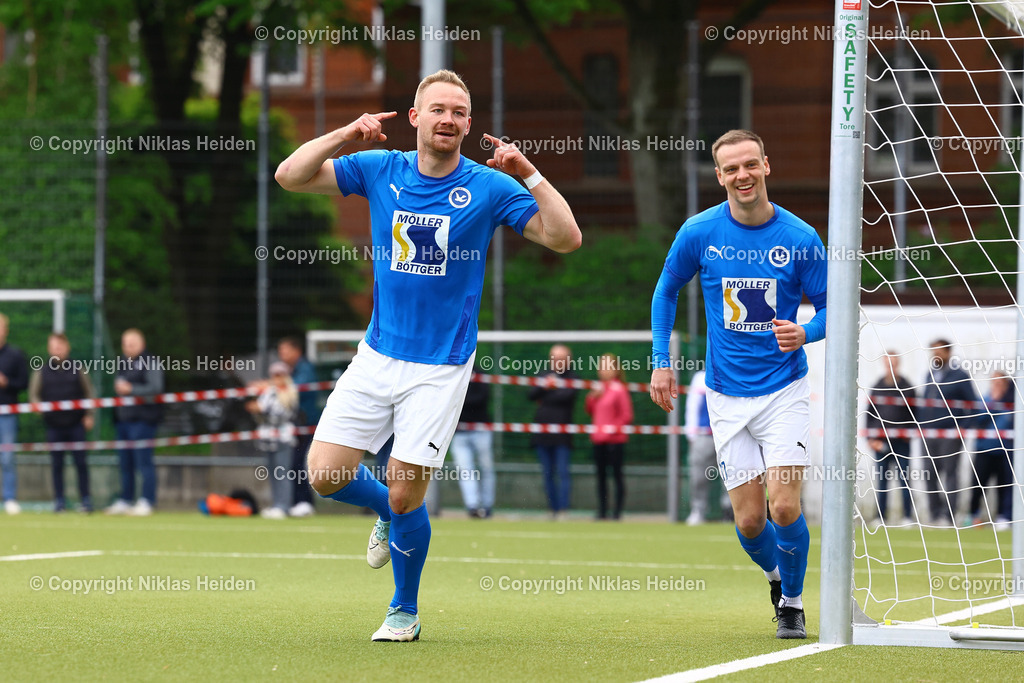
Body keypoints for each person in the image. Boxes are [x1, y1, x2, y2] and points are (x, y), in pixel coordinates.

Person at [274, 69, 580, 641]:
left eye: (459, 112)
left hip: (441, 365)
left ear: (468, 124)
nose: (449, 119)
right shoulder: (379, 168)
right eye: (438, 109)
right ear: (415, 118)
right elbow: (289, 176)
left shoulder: (489, 186)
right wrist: (346, 134)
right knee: (324, 474)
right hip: (377, 354)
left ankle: (404, 610)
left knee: (405, 490)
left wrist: (530, 174)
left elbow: (565, 238)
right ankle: (386, 514)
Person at [649, 130, 827, 640]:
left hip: (784, 390)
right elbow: (665, 292)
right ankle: (777, 579)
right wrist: (661, 361)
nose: (742, 175)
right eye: (731, 169)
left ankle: (792, 604)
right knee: (749, 522)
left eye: (750, 164)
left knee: (784, 506)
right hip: (725, 396)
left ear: (766, 165)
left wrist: (807, 331)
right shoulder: (699, 231)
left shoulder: (800, 238)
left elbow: (834, 307)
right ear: (719, 176)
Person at [29, 333, 96, 513]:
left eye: (60, 346)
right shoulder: (41, 370)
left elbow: (89, 393)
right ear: (49, 349)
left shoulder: (78, 368)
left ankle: (86, 500)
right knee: (57, 465)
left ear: (67, 347)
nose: (57, 350)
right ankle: (59, 501)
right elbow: (34, 395)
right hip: (53, 425)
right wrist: (37, 406)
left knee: (81, 463)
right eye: (54, 346)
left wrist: (89, 414)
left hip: (76, 424)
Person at [919, 340, 980, 527]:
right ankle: (934, 514)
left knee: (950, 474)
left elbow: (974, 405)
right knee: (929, 473)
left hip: (950, 435)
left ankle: (949, 516)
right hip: (929, 434)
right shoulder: (930, 374)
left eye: (939, 351)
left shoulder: (960, 375)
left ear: (948, 352)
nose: (935, 354)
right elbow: (926, 403)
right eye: (933, 351)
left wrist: (962, 428)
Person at [105, 329, 164, 516]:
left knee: (143, 462)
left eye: (132, 343)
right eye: (125, 344)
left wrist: (131, 389)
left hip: (143, 421)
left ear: (142, 344)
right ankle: (126, 499)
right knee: (125, 464)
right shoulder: (123, 362)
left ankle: (147, 500)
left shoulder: (151, 362)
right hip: (123, 421)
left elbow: (155, 388)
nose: (128, 347)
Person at [865, 352, 916, 526]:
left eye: (893, 363)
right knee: (882, 481)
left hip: (902, 443)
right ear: (884, 365)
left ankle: (907, 517)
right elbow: (869, 415)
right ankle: (880, 517)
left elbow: (916, 414)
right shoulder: (877, 387)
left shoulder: (908, 387)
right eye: (888, 364)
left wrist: (909, 434)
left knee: (904, 480)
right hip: (881, 443)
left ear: (898, 364)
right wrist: (871, 439)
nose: (891, 367)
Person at [529, 344, 579, 520]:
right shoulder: (544, 375)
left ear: (568, 360)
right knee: (547, 474)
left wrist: (549, 391)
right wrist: (545, 386)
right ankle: (552, 509)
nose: (556, 361)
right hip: (542, 435)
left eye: (560, 358)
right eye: (554, 357)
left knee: (563, 473)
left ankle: (563, 510)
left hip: (562, 436)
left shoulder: (573, 377)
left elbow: (566, 397)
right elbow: (531, 394)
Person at [247, 361, 299, 520]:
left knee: (282, 473)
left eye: (279, 375)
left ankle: (283, 506)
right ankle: (278, 504)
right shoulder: (270, 391)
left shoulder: (289, 392)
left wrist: (259, 406)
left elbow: (276, 412)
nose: (276, 378)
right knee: (273, 473)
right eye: (274, 375)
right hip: (268, 438)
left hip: (283, 438)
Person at [584, 353, 632, 520]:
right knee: (601, 477)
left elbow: (626, 416)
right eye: (601, 366)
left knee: (617, 476)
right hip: (599, 440)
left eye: (607, 366)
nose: (603, 370)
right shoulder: (598, 388)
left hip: (615, 440)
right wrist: (592, 397)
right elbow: (590, 411)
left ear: (616, 370)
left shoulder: (619, 389)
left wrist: (611, 429)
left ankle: (617, 512)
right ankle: (602, 511)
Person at [277, 336, 320, 517]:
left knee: (300, 463)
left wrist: (273, 385)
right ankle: (298, 502)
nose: (282, 355)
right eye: (281, 351)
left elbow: (295, 390)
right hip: (296, 426)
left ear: (297, 351)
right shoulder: (291, 370)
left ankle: (305, 502)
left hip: (307, 425)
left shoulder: (304, 369)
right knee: (294, 463)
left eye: (286, 351)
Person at [684, 369, 732, 525]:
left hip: (729, 435)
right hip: (704, 435)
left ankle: (729, 512)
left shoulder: (734, 372)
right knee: (698, 475)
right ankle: (698, 510)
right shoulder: (700, 377)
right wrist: (692, 434)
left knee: (731, 476)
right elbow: (692, 406)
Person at [967, 371, 1014, 531]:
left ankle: (1003, 516)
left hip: (1004, 451)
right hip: (984, 450)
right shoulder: (984, 400)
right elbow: (977, 420)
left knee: (1004, 486)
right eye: (994, 382)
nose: (997, 386)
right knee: (978, 485)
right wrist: (994, 403)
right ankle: (973, 515)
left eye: (1000, 383)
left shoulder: (1012, 403)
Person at [449, 370, 495, 518]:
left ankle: (487, 506)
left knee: (486, 468)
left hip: (480, 430)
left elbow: (481, 398)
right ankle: (473, 507)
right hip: (459, 433)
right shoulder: (453, 370)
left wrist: (460, 398)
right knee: (465, 471)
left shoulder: (480, 373)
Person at [0, 313, 29, 515]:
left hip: (8, 414)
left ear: (6, 330)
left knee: (8, 457)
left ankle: (9, 498)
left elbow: (24, 383)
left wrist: (7, 383)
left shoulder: (15, 355)